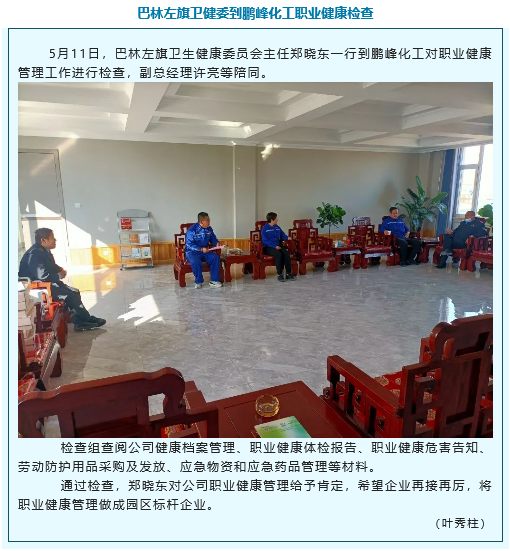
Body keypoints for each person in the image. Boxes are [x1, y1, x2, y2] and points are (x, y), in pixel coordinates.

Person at [19, 228, 106, 332]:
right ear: (43, 240)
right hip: (38, 286)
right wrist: (59, 275)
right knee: (69, 295)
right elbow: (42, 275)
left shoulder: (43, 251)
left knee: (74, 291)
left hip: (46, 283)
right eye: (52, 238)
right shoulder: (35, 253)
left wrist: (59, 269)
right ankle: (82, 322)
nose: (55, 240)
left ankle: (83, 319)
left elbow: (51, 266)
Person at [185, 212, 223, 289]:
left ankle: (214, 281)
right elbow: (189, 245)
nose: (209, 221)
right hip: (192, 252)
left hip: (205, 251)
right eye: (207, 220)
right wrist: (200, 249)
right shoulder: (191, 230)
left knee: (215, 257)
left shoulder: (209, 229)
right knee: (196, 262)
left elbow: (213, 238)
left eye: (209, 219)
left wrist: (216, 243)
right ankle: (198, 281)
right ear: (202, 222)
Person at [261, 212, 295, 282]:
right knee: (278, 254)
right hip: (268, 247)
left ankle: (288, 273)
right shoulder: (265, 229)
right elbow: (265, 241)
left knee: (286, 253)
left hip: (278, 245)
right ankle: (280, 274)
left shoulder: (277, 227)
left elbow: (282, 235)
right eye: (276, 218)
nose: (277, 220)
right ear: (272, 220)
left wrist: (287, 238)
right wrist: (274, 246)